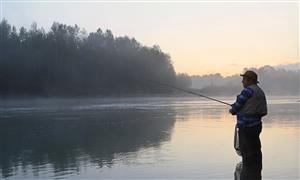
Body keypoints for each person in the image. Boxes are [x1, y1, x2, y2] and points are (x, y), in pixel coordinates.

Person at [229, 70, 267, 179]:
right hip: (256, 126)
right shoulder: (259, 91)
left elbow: (237, 107)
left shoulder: (247, 90)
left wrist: (232, 109)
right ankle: (255, 174)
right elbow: (250, 106)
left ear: (250, 80)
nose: (242, 82)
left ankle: (248, 175)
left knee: (247, 154)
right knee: (255, 153)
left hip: (246, 128)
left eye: (244, 79)